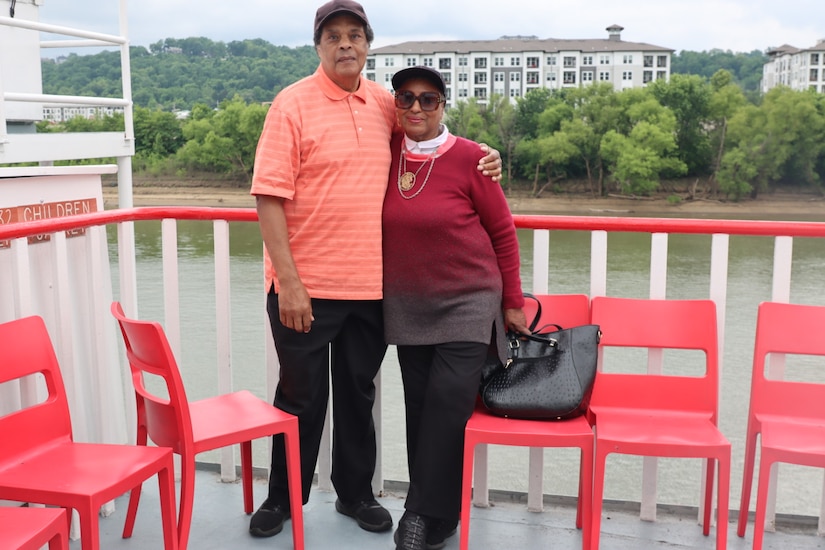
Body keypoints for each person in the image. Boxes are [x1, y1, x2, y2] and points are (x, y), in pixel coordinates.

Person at [248, 0, 502, 540]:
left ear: (367, 44)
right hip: (305, 289)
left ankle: (354, 493)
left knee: (357, 395)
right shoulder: (290, 105)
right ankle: (283, 498)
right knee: (299, 398)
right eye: (333, 36)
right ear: (318, 45)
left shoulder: (385, 103)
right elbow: (268, 198)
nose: (345, 45)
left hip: (370, 287)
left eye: (355, 35)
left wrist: (485, 155)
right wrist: (287, 282)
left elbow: (428, 132)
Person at [382, 66, 528, 550]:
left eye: (428, 99)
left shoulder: (471, 159)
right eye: (406, 99)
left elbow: (503, 232)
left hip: (469, 301)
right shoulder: (384, 155)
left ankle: (418, 516)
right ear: (395, 105)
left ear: (444, 104)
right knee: (420, 411)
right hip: (409, 306)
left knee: (447, 407)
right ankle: (443, 515)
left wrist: (512, 301)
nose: (417, 108)